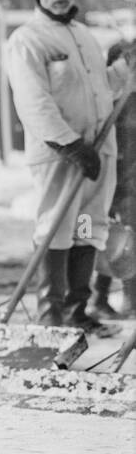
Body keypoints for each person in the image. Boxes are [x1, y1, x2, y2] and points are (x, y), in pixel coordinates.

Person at [6, 0, 132, 329]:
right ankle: (52, 315)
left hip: (98, 152)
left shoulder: (84, 36)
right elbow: (34, 102)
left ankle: (78, 311)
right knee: (56, 230)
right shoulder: (27, 41)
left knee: (88, 229)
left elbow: (103, 91)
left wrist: (125, 68)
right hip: (61, 155)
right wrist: (70, 143)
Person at [89, 41, 136, 318]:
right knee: (97, 236)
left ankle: (120, 297)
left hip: (128, 181)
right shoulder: (110, 101)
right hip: (108, 181)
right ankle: (99, 297)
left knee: (126, 237)